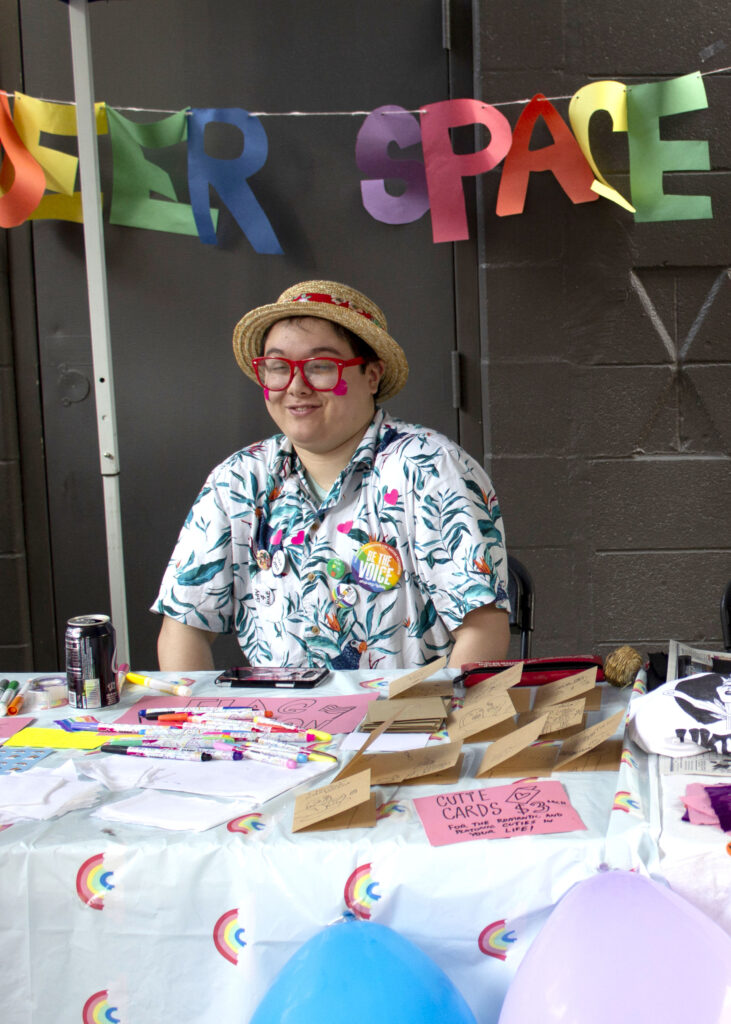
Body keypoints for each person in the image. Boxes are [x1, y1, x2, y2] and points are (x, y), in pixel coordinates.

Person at [153, 280, 511, 670]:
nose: (297, 386)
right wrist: (202, 724)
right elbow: (183, 626)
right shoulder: (239, 480)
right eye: (278, 367)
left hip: (407, 722)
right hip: (277, 725)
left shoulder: (430, 469)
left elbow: (483, 628)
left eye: (321, 366)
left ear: (372, 375)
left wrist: (439, 725)